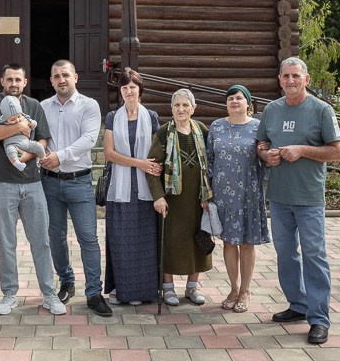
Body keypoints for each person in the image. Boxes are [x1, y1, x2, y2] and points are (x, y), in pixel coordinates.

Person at [257, 57, 340, 345]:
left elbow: (337, 152)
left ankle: (319, 319)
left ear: (306, 79)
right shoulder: (271, 110)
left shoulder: (321, 110)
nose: (290, 81)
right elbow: (262, 144)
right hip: (279, 198)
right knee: (286, 255)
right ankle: (298, 304)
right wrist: (265, 155)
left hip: (308, 197)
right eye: (286, 76)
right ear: (279, 79)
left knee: (313, 256)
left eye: (296, 75)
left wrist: (303, 150)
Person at [0, 63, 66, 316]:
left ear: (25, 82)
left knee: (41, 241)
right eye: (9, 79)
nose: (14, 84)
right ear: (2, 81)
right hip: (1, 184)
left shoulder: (34, 106)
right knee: (6, 243)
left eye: (18, 80)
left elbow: (42, 139)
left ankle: (49, 294)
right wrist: (17, 128)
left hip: (32, 184)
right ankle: (9, 294)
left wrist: (26, 155)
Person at [40, 59, 112, 316]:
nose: (62, 79)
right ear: (51, 80)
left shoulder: (89, 105)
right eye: (57, 75)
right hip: (49, 182)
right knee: (55, 237)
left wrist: (60, 156)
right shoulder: (43, 107)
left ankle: (94, 293)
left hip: (80, 181)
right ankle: (67, 282)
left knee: (88, 239)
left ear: (75, 77)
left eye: (66, 75)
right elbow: (39, 138)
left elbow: (89, 140)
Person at [146, 88, 213, 306]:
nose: (181, 109)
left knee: (198, 241)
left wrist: (209, 194)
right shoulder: (164, 133)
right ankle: (168, 288)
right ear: (171, 109)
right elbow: (152, 167)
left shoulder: (202, 130)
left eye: (185, 105)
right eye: (177, 105)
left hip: (198, 199)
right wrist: (158, 196)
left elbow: (210, 164)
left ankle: (192, 287)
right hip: (172, 200)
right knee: (171, 243)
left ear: (193, 108)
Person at [207, 84, 269, 313]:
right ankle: (233, 288)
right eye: (231, 98)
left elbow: (265, 158)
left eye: (239, 98)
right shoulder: (217, 127)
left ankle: (246, 290)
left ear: (248, 104)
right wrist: (207, 191)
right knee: (229, 241)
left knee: (246, 242)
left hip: (249, 194)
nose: (234, 101)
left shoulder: (258, 128)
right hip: (223, 195)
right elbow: (209, 160)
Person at [103, 68, 162, 305]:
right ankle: (123, 291)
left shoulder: (153, 117)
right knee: (121, 241)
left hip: (146, 189)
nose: (129, 91)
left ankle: (144, 292)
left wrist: (156, 168)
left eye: (133, 87)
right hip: (120, 189)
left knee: (145, 243)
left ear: (140, 91)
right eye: (125, 88)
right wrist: (139, 163)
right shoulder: (111, 117)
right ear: (120, 91)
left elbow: (158, 152)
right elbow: (108, 153)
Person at [0, 94, 47, 171]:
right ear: (5, 118)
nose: (17, 120)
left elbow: (33, 123)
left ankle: (43, 158)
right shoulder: (2, 120)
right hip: (12, 144)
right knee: (10, 151)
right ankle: (17, 163)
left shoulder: (24, 115)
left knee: (38, 146)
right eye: (13, 119)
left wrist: (32, 124)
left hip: (26, 142)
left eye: (18, 117)